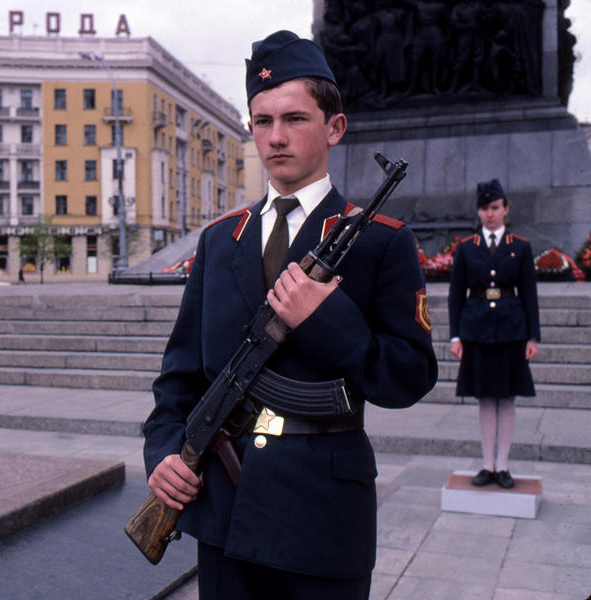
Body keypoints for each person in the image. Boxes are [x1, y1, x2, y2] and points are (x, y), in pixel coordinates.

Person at [141, 31, 437, 599]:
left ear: (335, 128)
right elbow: (177, 382)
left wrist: (327, 320)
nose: (275, 137)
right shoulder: (220, 241)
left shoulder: (380, 243)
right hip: (224, 514)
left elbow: (408, 378)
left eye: (295, 118)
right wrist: (162, 455)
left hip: (323, 519)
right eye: (261, 121)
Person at [448, 179, 539, 489]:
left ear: (505, 209)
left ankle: (503, 466)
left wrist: (533, 337)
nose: (490, 214)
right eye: (485, 208)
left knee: (507, 397)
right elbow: (455, 294)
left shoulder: (520, 247)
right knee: (485, 398)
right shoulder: (465, 248)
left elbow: (529, 293)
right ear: (479, 211)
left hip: (512, 330)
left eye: (495, 208)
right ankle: (487, 465)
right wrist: (455, 336)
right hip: (477, 331)